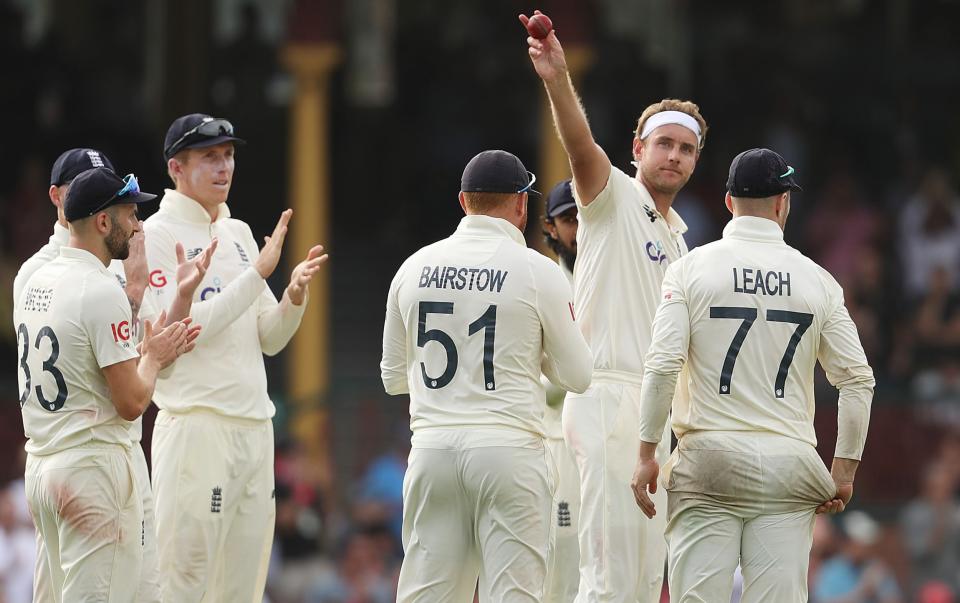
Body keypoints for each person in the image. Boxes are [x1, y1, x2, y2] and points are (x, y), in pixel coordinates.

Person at [630, 148, 875, 602]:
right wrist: (844, 470)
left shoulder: (689, 270)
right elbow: (858, 381)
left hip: (709, 461)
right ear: (783, 202)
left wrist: (647, 451)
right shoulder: (817, 279)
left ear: (728, 203)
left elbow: (662, 364)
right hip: (788, 465)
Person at [520, 11, 708, 601]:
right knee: (605, 576)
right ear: (637, 149)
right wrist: (556, 77)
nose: (674, 156)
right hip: (605, 397)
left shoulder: (679, 236)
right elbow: (578, 144)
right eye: (664, 144)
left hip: (652, 414)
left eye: (686, 148)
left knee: (646, 578)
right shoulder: (612, 197)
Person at [380, 150, 593, 602]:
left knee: (426, 594)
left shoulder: (413, 267)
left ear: (463, 201)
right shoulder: (538, 271)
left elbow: (394, 379)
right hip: (509, 450)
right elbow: (578, 375)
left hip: (432, 449)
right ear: (521, 206)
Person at [12, 147, 215, 602]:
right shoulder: (100, 286)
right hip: (92, 465)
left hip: (46, 461)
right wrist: (153, 355)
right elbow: (130, 402)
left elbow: (90, 361)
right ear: (102, 222)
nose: (139, 224)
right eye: (129, 213)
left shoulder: (37, 277)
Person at [145, 113, 329, 602]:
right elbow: (176, 334)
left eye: (228, 156)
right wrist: (256, 277)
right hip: (196, 426)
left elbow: (268, 338)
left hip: (253, 428)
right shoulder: (157, 235)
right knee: (184, 584)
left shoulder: (240, 233)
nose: (224, 167)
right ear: (176, 168)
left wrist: (292, 296)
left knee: (242, 590)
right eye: (209, 157)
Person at [540, 179, 581, 602]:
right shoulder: (542, 283)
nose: (579, 229)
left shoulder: (622, 281)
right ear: (550, 228)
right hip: (556, 446)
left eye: (585, 217)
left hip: (614, 443)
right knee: (561, 563)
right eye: (569, 219)